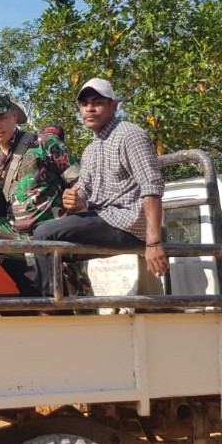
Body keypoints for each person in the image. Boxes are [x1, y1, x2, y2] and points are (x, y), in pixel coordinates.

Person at [33, 78, 168, 298]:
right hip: (105, 220)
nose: (90, 108)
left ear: (113, 105)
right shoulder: (90, 150)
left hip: (130, 226)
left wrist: (153, 242)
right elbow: (84, 194)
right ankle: (71, 302)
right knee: (49, 246)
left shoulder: (129, 134)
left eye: (97, 102)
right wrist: (75, 201)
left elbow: (151, 186)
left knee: (44, 234)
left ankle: (51, 309)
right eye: (84, 104)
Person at [0, 93, 80, 300]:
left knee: (66, 306)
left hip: (53, 232)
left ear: (14, 116)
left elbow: (79, 180)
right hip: (16, 235)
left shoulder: (45, 143)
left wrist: (77, 199)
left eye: (1, 117)